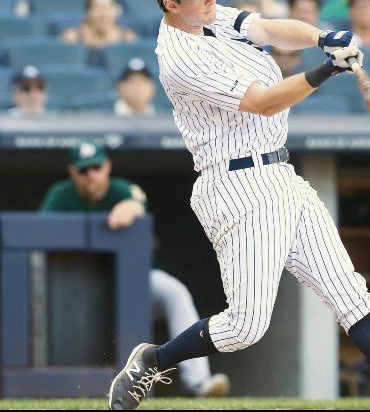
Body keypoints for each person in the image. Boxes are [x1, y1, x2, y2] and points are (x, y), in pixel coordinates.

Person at [106, 0, 370, 411]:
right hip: (236, 186)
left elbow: (268, 28)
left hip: (281, 175)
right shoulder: (180, 56)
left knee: (350, 294)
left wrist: (322, 36)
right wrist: (326, 69)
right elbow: (265, 102)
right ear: (170, 5)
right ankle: (153, 360)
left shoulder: (212, 17)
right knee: (246, 326)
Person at [40, 141, 231, 398]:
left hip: (140, 280)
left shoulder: (120, 189)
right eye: (84, 170)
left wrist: (131, 206)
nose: (91, 175)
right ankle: (57, 388)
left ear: (107, 167)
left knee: (175, 293)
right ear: (73, 172)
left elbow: (136, 202)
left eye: (96, 167)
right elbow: (39, 231)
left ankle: (198, 381)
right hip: (82, 289)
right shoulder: (61, 194)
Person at [61, 0, 138, 63]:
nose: (103, 14)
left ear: (117, 12)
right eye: (97, 8)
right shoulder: (72, 37)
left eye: (109, 8)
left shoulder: (128, 38)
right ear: (88, 12)